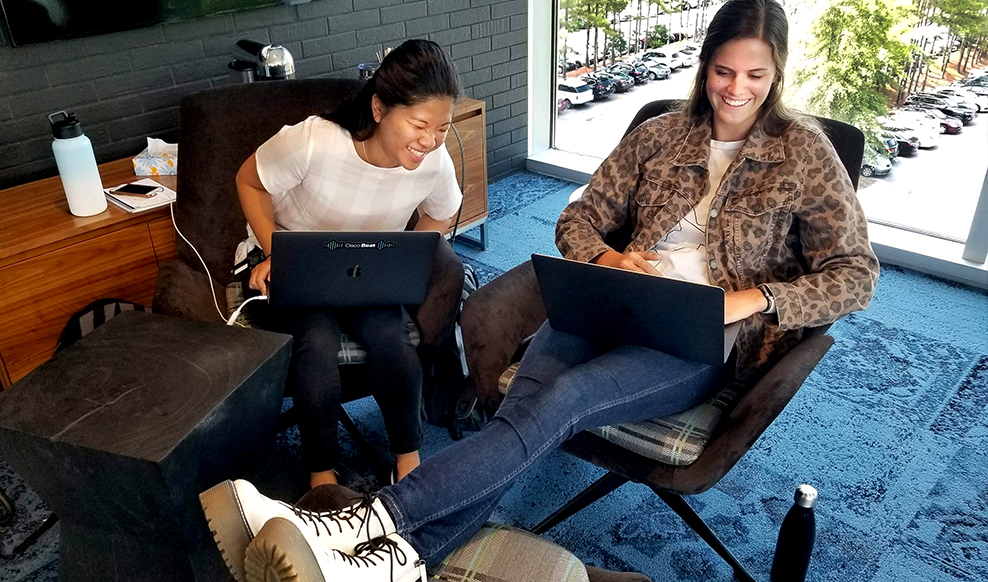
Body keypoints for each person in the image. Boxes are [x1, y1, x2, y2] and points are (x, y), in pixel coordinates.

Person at [200, 2, 880, 581]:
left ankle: (370, 521)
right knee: (521, 413)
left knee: (568, 398)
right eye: (725, 71)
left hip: (700, 330)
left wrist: (755, 300)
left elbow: (856, 274)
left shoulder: (805, 153)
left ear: (777, 75)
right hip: (612, 296)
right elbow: (576, 217)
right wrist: (609, 257)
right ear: (705, 65)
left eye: (756, 76)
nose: (737, 89)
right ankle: (395, 563)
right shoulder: (661, 134)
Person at [236, 39, 464, 491]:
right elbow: (249, 181)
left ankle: (408, 459)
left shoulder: (432, 161)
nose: (430, 141)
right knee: (316, 344)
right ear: (380, 108)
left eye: (442, 128)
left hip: (368, 270)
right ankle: (322, 475)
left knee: (392, 340)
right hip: (299, 267)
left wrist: (404, 257)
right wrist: (272, 250)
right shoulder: (315, 141)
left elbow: (442, 210)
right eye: (420, 124)